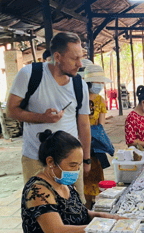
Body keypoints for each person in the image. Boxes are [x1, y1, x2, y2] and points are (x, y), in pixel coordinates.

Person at [20, 129, 124, 233]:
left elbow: (80, 213)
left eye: (79, 165)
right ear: (51, 162)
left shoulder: (64, 182)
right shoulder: (37, 191)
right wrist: (102, 228)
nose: (76, 170)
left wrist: (104, 217)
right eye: (72, 165)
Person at [7, 32, 91, 204]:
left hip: (71, 161)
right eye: (74, 59)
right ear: (57, 57)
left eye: (80, 58)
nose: (79, 64)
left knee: (76, 206)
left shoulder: (79, 84)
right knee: (40, 207)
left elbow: (84, 124)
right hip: (36, 159)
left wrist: (86, 159)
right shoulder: (30, 75)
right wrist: (42, 118)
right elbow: (11, 111)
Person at [82, 63, 113, 209]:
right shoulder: (79, 98)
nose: (100, 85)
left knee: (96, 171)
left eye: (102, 82)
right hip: (80, 140)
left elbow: (101, 124)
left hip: (95, 142)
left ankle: (95, 202)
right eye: (98, 82)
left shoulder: (100, 100)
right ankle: (85, 202)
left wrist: (99, 139)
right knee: (83, 173)